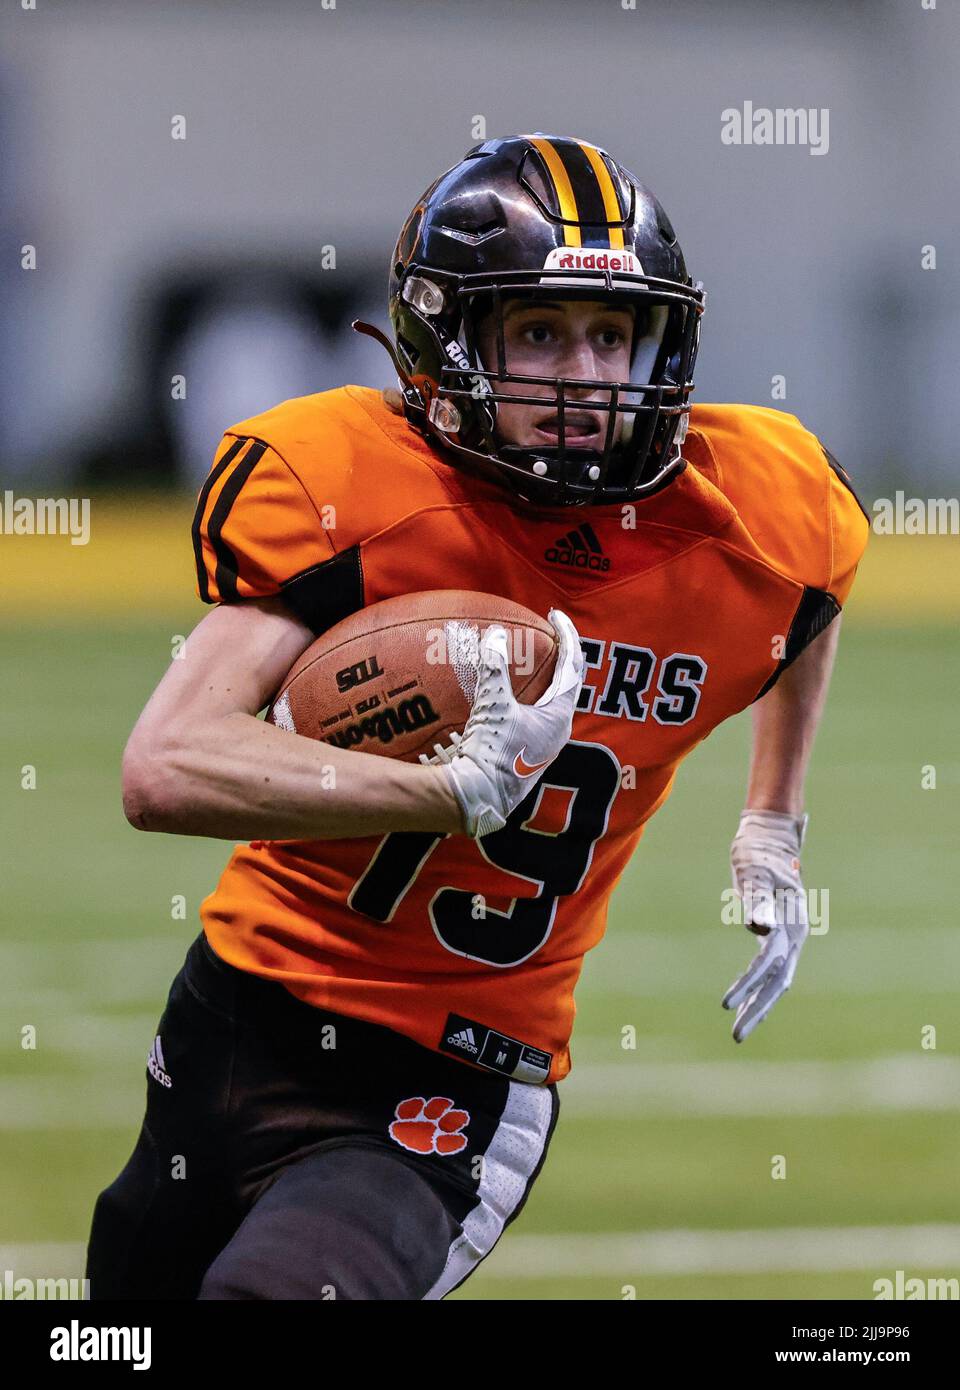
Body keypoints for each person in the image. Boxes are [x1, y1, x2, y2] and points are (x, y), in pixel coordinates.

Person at [86, 133, 870, 1301]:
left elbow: (812, 602)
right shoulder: (356, 486)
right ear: (448, 338)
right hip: (240, 1013)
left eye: (612, 335)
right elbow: (165, 765)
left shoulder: (758, 510)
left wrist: (774, 819)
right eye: (540, 332)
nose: (586, 375)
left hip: (454, 1081)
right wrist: (441, 793)